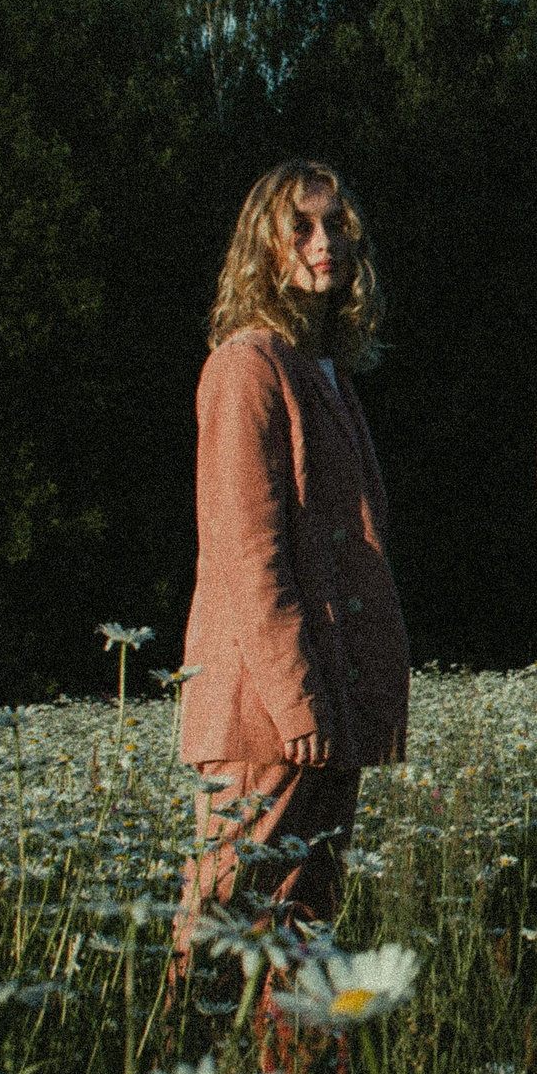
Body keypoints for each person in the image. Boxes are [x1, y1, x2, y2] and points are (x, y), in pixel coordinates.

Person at [176, 160, 409, 954]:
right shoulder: (246, 366)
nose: (326, 242)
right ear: (263, 248)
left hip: (319, 705)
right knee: (224, 921)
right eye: (302, 227)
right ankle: (181, 1065)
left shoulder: (325, 372)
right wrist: (298, 698)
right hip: (264, 713)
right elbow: (249, 553)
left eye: (338, 225)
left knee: (303, 931)